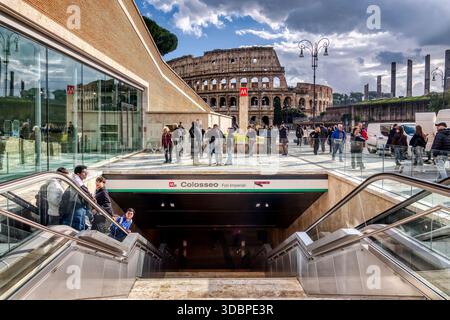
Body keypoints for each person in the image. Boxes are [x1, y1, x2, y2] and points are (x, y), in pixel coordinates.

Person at [60, 165, 93, 231]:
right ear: (78, 174)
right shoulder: (77, 186)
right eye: (84, 172)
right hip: (76, 213)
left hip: (78, 212)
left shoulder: (77, 185)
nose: (86, 174)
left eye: (87, 172)